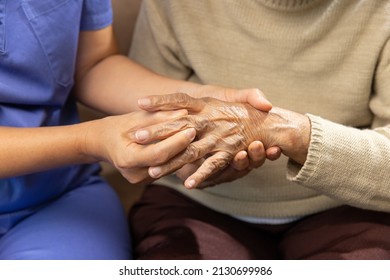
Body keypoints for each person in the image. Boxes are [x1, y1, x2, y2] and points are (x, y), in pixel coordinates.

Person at [0, 0, 276, 259]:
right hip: (68, 158)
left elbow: (92, 65)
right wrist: (90, 142)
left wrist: (201, 98)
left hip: (58, 192)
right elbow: (91, 140)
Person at [128, 0, 390, 259]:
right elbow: (139, 121)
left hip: (348, 209)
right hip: (195, 205)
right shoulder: (174, 6)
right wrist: (179, 161)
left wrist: (290, 132)